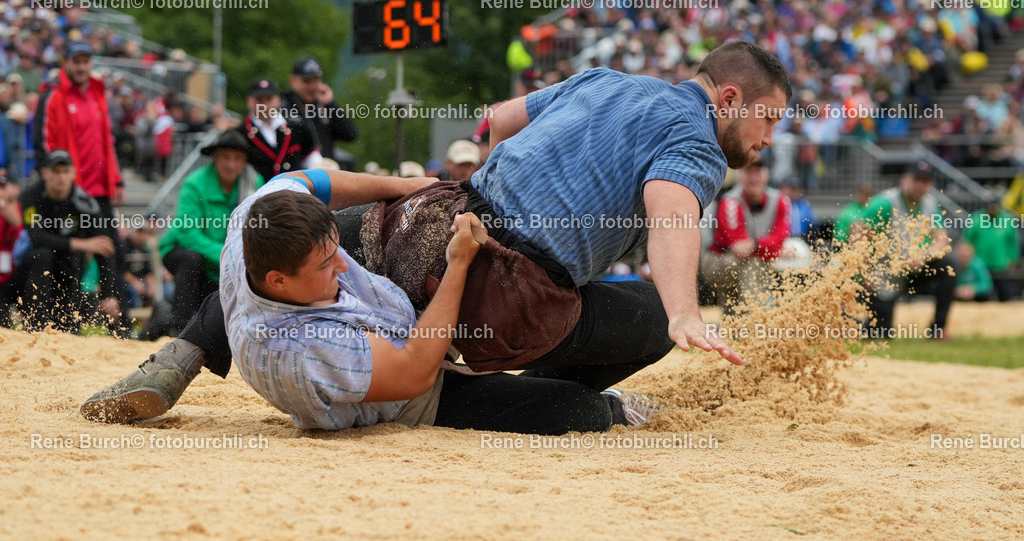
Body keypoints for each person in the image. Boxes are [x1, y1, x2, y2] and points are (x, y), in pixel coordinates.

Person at [81, 40, 790, 424]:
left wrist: (494, 191)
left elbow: (499, 119)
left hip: (434, 215)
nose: (767, 139)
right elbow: (671, 210)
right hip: (510, 293)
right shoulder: (697, 139)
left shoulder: (604, 79)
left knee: (283, 240)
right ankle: (532, 394)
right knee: (646, 320)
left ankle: (177, 358)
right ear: (729, 98)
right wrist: (683, 309)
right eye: (767, 119)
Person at [84, 171, 659, 434]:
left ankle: (177, 357)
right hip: (410, 391)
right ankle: (586, 401)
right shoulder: (300, 352)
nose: (342, 266)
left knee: (245, 290)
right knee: (579, 412)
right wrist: (458, 263)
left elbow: (313, 182)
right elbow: (414, 370)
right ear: (280, 280)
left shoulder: (256, 218)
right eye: (325, 265)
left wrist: (407, 187)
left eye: (334, 251)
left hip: (366, 316)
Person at [156, 129, 264, 337]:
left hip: (226, 258)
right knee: (191, 260)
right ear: (214, 157)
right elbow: (187, 234)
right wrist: (229, 256)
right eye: (225, 157)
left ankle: (162, 318)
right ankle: (178, 328)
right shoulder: (195, 183)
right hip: (184, 251)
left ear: (244, 161)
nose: (231, 164)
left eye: (237, 158)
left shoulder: (255, 182)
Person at [34, 40, 124, 280]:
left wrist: (117, 179)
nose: (82, 67)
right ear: (66, 62)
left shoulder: (97, 93)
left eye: (86, 61)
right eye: (76, 61)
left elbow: (107, 141)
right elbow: (43, 145)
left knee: (114, 255)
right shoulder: (53, 95)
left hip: (99, 190)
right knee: (69, 262)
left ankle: (115, 305)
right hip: (70, 192)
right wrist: (58, 185)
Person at [18, 150, 126, 335]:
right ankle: (35, 326)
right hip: (29, 270)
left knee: (72, 267)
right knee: (43, 255)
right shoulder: (30, 195)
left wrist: (108, 294)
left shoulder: (85, 203)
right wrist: (82, 244)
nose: (61, 177)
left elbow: (103, 246)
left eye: (65, 171)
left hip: (69, 268)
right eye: (56, 171)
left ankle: (69, 326)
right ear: (45, 173)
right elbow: (37, 237)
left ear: (73, 173)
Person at [861, 161, 956, 339]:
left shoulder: (930, 204)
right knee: (880, 332)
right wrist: (867, 274)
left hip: (916, 270)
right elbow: (860, 237)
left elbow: (942, 240)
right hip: (885, 273)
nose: (920, 185)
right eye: (916, 180)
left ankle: (938, 328)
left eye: (925, 181)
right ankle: (856, 325)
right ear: (904, 180)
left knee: (949, 266)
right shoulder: (884, 203)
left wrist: (923, 256)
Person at [701, 156, 791, 315]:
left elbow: (780, 238)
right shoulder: (730, 201)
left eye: (758, 172)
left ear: (766, 175)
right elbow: (740, 249)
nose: (754, 178)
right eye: (749, 173)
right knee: (753, 266)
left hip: (750, 261)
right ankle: (756, 319)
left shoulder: (780, 200)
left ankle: (737, 320)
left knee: (791, 260)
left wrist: (756, 246)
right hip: (718, 261)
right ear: (741, 176)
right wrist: (774, 252)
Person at [279, 57, 359, 168]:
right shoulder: (283, 105)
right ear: (293, 80)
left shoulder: (324, 104)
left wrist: (331, 104)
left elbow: (351, 134)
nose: (312, 86)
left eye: (316, 80)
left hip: (327, 172)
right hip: (299, 172)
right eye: (307, 81)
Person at [235, 78, 322, 181]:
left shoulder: (296, 127)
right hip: (258, 189)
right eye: (259, 100)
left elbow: (311, 160)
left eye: (269, 99)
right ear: (249, 101)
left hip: (293, 188)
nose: (264, 105)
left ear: (278, 100)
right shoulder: (240, 133)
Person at [963, 201, 1021, 302]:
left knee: (1004, 295)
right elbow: (968, 240)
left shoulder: (1007, 219)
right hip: (981, 264)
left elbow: (1013, 242)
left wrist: (1013, 259)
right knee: (981, 296)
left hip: (1001, 264)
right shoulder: (977, 218)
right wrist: (968, 257)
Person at [0, 173, 21, 327]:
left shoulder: (24, 208)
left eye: (3, 187)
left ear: (15, 189)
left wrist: (17, 223)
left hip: (16, 272)